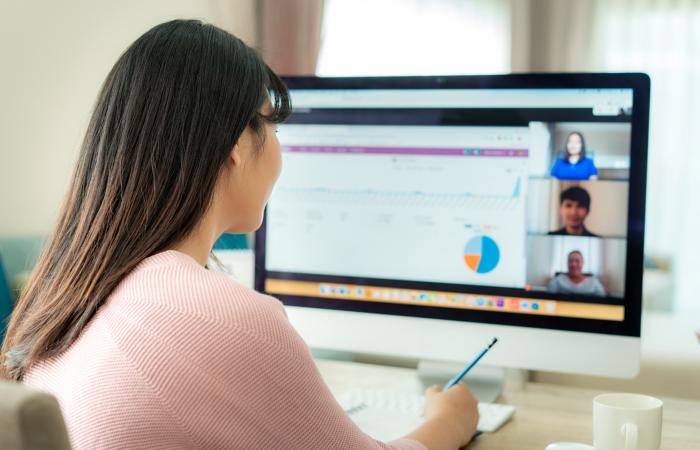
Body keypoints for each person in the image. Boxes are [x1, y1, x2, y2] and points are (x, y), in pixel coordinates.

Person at [0, 20, 479, 450]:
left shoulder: (68, 300)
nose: (278, 149)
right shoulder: (220, 317)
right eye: (272, 127)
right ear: (235, 143)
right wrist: (449, 421)